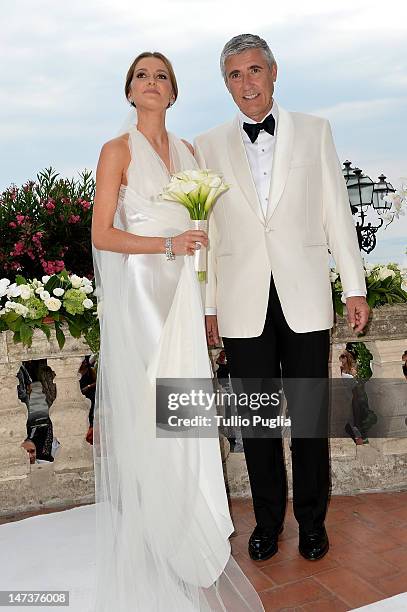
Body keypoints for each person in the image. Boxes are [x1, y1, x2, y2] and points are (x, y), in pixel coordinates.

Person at [91, 52, 264, 611]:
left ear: (173, 91)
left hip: (185, 295)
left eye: (160, 75)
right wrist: (168, 245)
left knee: (186, 408)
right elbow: (102, 237)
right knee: (151, 409)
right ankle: (157, 535)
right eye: (141, 75)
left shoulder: (189, 152)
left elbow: (204, 227)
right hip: (143, 291)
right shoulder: (115, 152)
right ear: (129, 90)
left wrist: (202, 276)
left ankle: (191, 528)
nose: (150, 82)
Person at [194, 34, 370, 563]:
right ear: (225, 84)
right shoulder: (206, 145)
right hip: (242, 300)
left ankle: (312, 522)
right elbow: (209, 233)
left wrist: (354, 286)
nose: (246, 83)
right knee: (257, 422)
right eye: (234, 75)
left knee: (310, 418)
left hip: (305, 295)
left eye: (254, 71)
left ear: (274, 72)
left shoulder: (316, 132)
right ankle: (268, 521)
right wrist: (209, 306)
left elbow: (337, 213)